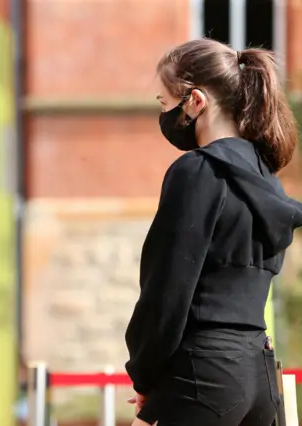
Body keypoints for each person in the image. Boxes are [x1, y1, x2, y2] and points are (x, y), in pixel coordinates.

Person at [124, 38, 302, 426]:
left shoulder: (197, 171)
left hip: (202, 375)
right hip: (257, 375)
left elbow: (167, 290)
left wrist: (144, 374)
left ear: (196, 101)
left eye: (163, 102)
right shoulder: (266, 179)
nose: (164, 114)